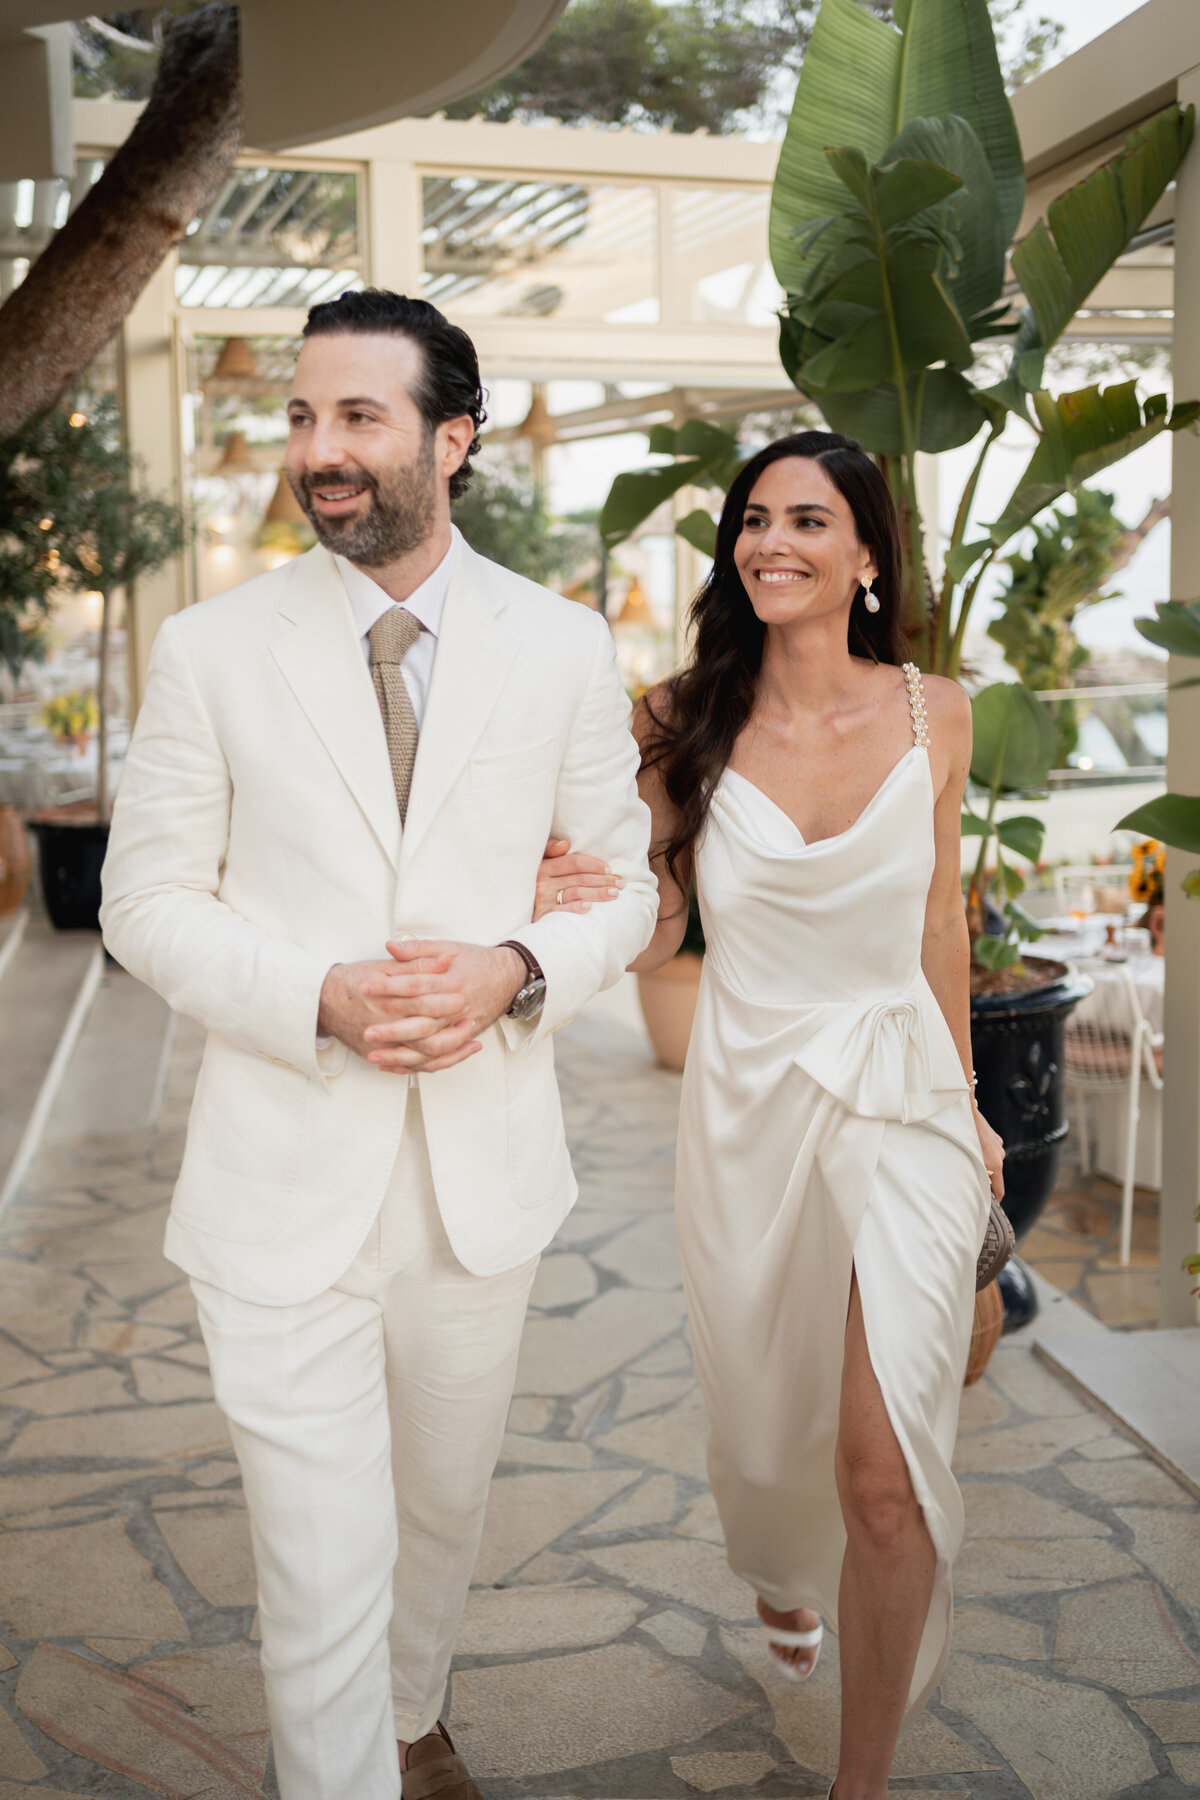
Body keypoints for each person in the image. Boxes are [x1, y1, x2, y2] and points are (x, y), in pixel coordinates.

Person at [100, 289, 656, 1800]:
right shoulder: (212, 650)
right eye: (300, 416)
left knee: (437, 1516)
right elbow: (139, 900)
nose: (318, 450)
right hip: (281, 1183)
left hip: (481, 1189)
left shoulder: (558, 646)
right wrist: (319, 996)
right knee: (318, 1564)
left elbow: (630, 888)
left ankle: (416, 1717)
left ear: (450, 438)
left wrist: (518, 963)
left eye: (357, 417)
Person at [537, 431, 1004, 1800]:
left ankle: (859, 1779)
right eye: (753, 519)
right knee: (761, 1424)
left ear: (868, 554)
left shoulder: (940, 713)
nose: (772, 541)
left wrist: (970, 1109)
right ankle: (778, 1576)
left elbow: (938, 919)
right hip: (746, 1100)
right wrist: (571, 898)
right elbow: (658, 918)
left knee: (881, 1465)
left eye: (809, 519)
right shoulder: (679, 716)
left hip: (902, 1095)